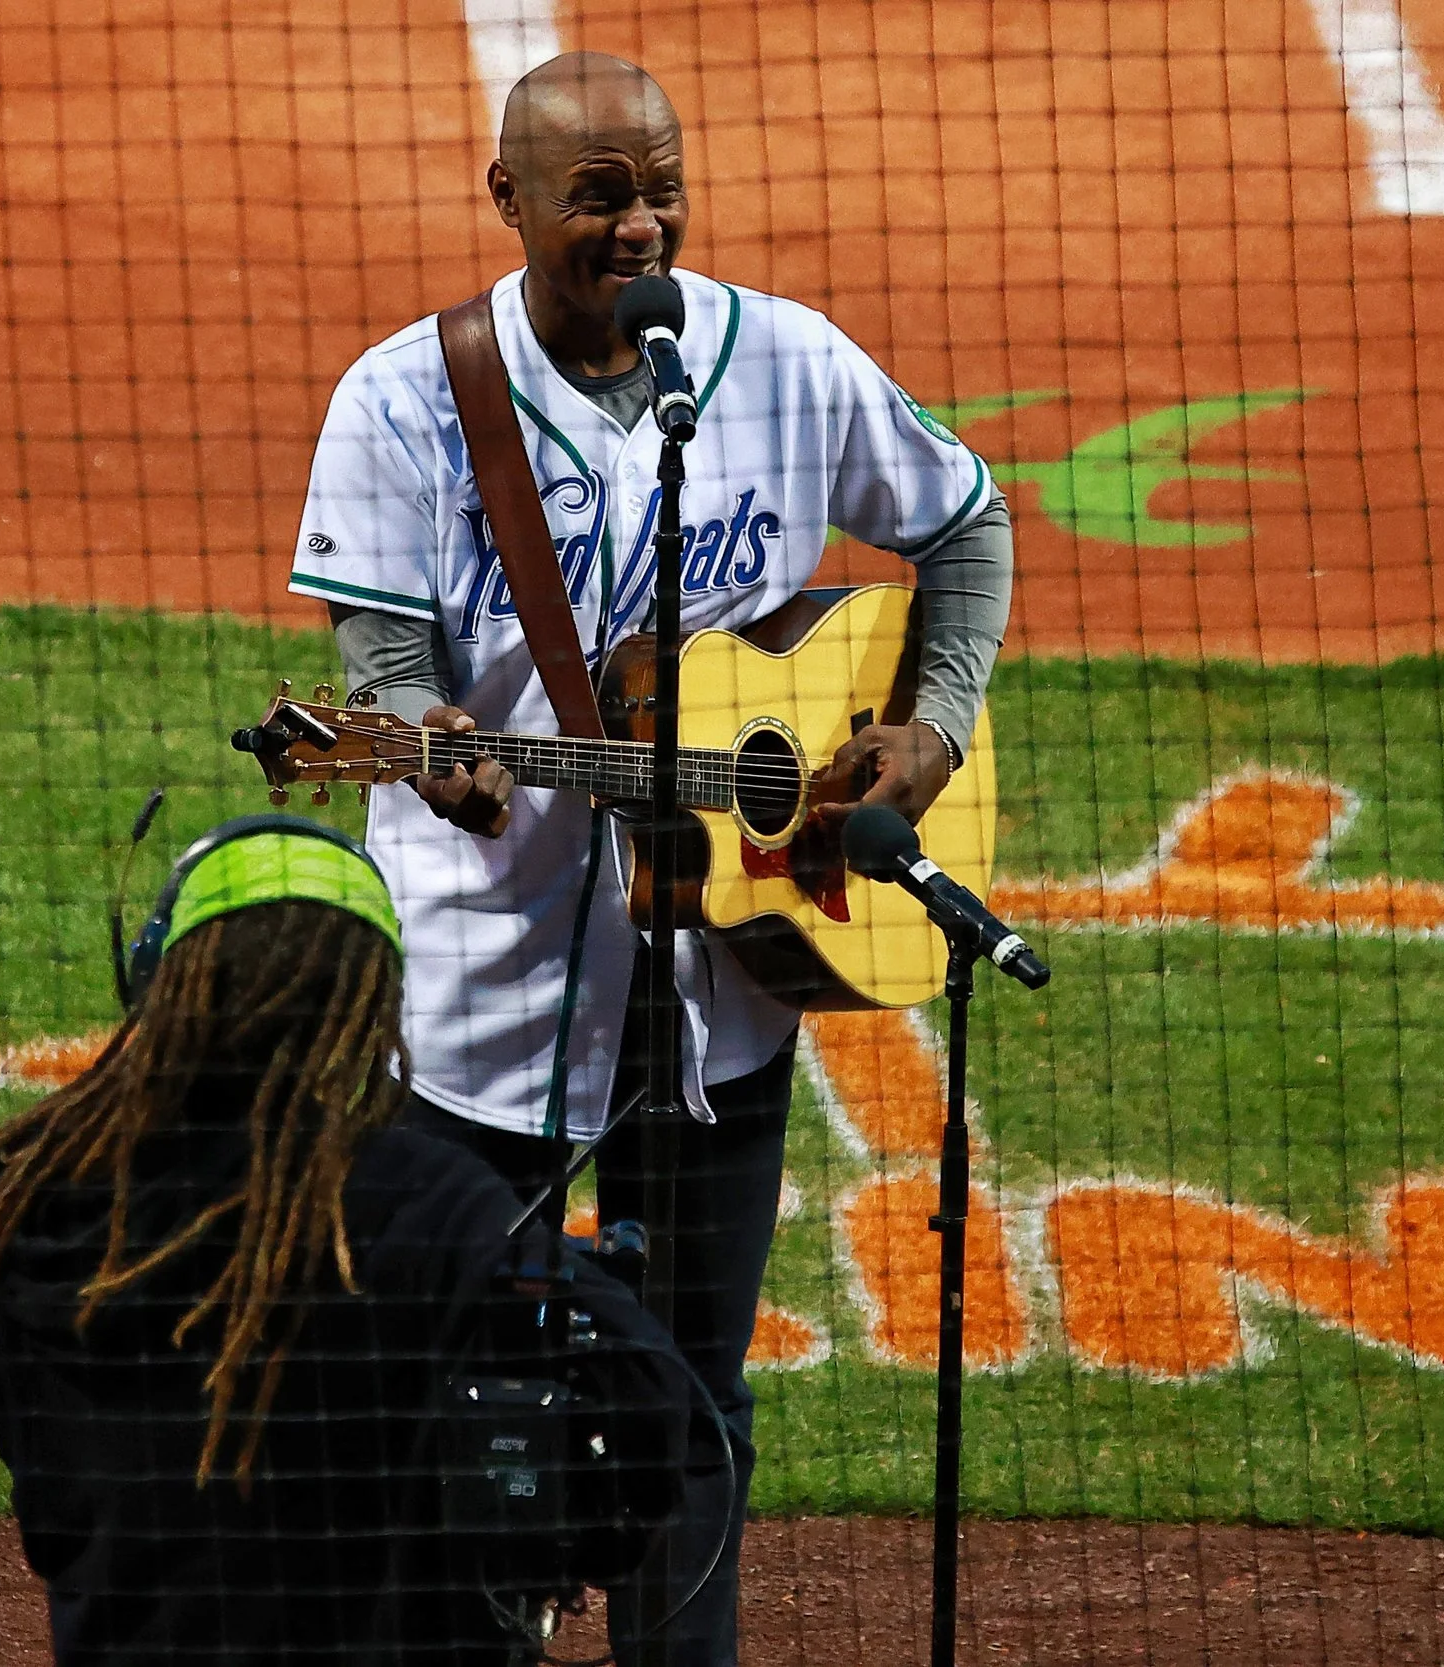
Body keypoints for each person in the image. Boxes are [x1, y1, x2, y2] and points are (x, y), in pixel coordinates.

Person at [286, 52, 1016, 1667]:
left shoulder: (788, 362)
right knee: (469, 1387)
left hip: (724, 995)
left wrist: (936, 724)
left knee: (693, 1391)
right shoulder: (406, 396)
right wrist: (433, 746)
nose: (642, 225)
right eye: (599, 195)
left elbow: (965, 523)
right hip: (480, 990)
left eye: (662, 189)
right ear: (511, 199)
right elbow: (383, 667)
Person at [0, 815, 716, 1665]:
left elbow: (46, 1503)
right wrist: (561, 1551)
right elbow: (656, 1392)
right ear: (368, 1007)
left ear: (157, 972)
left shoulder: (35, 1183)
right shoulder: (432, 1198)